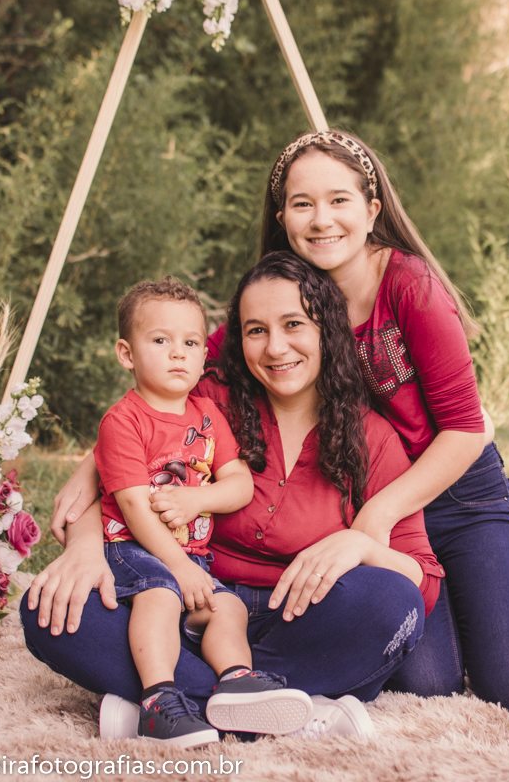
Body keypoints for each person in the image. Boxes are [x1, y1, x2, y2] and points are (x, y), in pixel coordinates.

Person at [22, 253, 444, 738]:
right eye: (256, 330)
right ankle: (298, 709)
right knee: (48, 609)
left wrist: (365, 547)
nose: (276, 346)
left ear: (327, 330)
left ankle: (167, 701)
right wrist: (82, 546)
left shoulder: (372, 437)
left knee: (393, 603)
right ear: (236, 340)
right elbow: (124, 482)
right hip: (189, 605)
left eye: (294, 324)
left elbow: (423, 580)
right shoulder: (208, 402)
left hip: (302, 619)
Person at [258, 130, 509, 709]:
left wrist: (375, 517)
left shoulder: (411, 287)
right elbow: (197, 368)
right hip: (377, 514)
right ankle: (468, 604)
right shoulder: (285, 295)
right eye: (303, 203)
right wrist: (99, 467)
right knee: (425, 682)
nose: (321, 219)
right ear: (282, 216)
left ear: (372, 208)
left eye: (339, 200)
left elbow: (466, 429)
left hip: (460, 496)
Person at [93, 277, 309, 746]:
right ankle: (158, 702)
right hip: (133, 548)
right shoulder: (123, 420)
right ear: (127, 354)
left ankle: (236, 682)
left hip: (191, 559)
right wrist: (176, 567)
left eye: (191, 342)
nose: (178, 354)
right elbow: (132, 505)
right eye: (160, 341)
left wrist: (196, 499)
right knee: (161, 596)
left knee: (225, 605)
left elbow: (240, 485)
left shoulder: (207, 414)